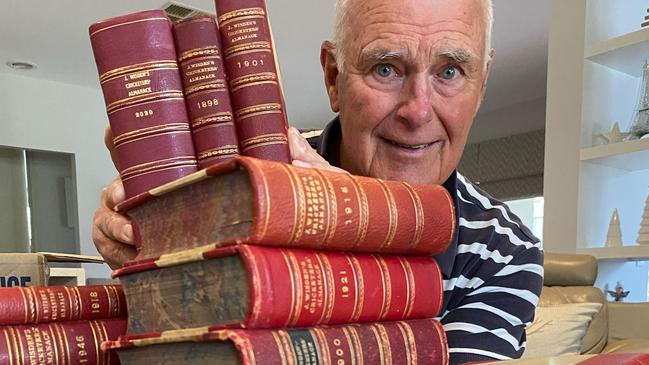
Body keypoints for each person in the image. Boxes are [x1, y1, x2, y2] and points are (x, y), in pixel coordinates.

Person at [93, 0, 544, 363]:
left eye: (450, 72)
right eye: (386, 68)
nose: (418, 111)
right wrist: (150, 227)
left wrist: (352, 227)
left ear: (480, 86)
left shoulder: (509, 251)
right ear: (332, 76)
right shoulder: (252, 175)